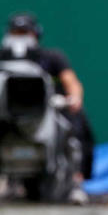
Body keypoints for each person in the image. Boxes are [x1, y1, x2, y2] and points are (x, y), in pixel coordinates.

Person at [1, 12, 94, 204]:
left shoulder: (51, 57)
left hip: (46, 116)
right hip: (6, 118)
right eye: (17, 32)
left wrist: (74, 98)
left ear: (36, 33)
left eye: (25, 32)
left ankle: (76, 182)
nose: (21, 37)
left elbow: (71, 82)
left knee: (76, 124)